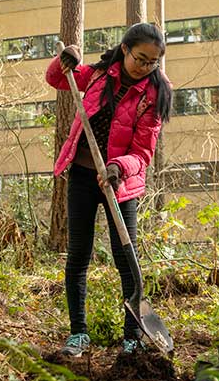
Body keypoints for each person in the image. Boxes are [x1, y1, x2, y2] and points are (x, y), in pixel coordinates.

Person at [46, 23, 173, 357]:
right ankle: (78, 333)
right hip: (83, 177)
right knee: (78, 254)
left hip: (121, 184)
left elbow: (144, 151)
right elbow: (58, 78)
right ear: (126, 48)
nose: (144, 67)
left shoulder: (154, 94)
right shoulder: (101, 74)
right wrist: (66, 58)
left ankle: (132, 336)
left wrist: (119, 167)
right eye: (140, 58)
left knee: (125, 258)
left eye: (152, 62)